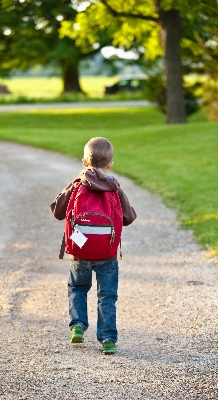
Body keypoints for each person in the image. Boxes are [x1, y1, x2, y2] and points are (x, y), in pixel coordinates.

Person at [50, 137, 136, 354]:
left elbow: (57, 211)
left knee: (77, 288)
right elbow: (129, 217)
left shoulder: (78, 184)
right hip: (107, 253)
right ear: (110, 165)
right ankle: (108, 339)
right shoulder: (114, 186)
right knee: (107, 296)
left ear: (84, 162)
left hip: (81, 252)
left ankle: (78, 326)